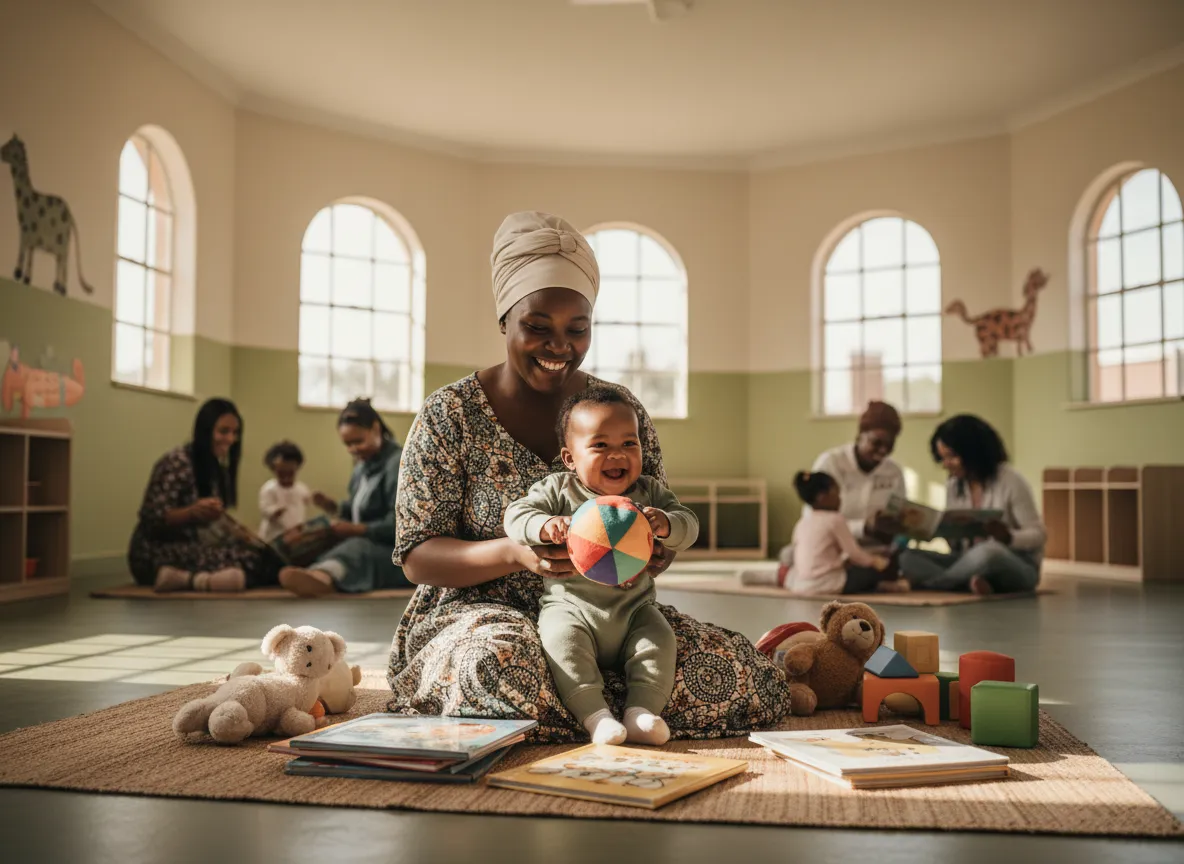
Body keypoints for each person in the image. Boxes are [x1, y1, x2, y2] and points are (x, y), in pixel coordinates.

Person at [387, 210, 788, 742]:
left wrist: (655, 543)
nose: (560, 346)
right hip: (479, 613)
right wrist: (512, 552)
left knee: (742, 673)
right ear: (504, 319)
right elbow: (417, 557)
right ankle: (599, 710)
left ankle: (601, 712)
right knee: (493, 667)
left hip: (609, 616)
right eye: (537, 328)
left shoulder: (621, 412)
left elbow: (658, 515)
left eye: (577, 330)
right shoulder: (448, 415)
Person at [503, 386, 700, 746]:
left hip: (634, 608)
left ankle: (642, 712)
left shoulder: (649, 493)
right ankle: (596, 716)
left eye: (629, 444)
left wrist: (668, 525)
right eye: (600, 446)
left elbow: (689, 523)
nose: (617, 455)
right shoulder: (559, 490)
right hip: (572, 607)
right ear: (569, 458)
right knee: (561, 642)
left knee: (659, 640)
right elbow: (516, 515)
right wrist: (543, 526)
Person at [743, 400, 906, 586]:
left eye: (890, 445)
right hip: (831, 548)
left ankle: (790, 576)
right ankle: (782, 576)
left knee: (905, 561)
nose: (883, 451)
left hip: (876, 547)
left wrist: (897, 528)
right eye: (876, 443)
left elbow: (899, 515)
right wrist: (863, 527)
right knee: (790, 553)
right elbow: (813, 519)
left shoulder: (894, 472)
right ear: (860, 435)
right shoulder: (832, 463)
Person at [128, 398, 276, 592]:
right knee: (252, 561)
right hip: (154, 553)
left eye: (235, 433)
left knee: (266, 556)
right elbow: (152, 518)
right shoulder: (176, 462)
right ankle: (194, 580)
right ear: (206, 431)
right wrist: (191, 512)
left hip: (191, 547)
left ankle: (190, 579)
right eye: (224, 431)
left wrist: (242, 534)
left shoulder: (215, 467)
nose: (230, 439)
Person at [900, 415, 1045, 594]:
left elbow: (1038, 535)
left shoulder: (1011, 480)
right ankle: (970, 582)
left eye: (951, 456)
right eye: (942, 458)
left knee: (989, 552)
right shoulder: (954, 485)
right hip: (968, 560)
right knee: (908, 557)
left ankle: (938, 583)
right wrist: (940, 531)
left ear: (973, 452)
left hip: (1016, 564)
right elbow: (956, 548)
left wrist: (1008, 537)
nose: (946, 465)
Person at [278, 399, 409, 596]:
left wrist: (357, 529)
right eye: (347, 444)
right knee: (310, 533)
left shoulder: (397, 463)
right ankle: (276, 566)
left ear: (375, 428)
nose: (353, 449)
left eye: (358, 441)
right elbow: (359, 510)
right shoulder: (361, 468)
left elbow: (401, 524)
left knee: (356, 548)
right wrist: (334, 508)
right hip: (365, 539)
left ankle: (323, 576)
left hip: (391, 550)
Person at [786, 470, 907, 595]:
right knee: (872, 571)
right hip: (829, 584)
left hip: (802, 584)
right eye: (837, 494)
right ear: (822, 497)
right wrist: (876, 561)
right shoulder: (835, 519)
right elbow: (854, 553)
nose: (840, 499)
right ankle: (884, 584)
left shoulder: (802, 522)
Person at [258, 440, 311, 542]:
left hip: (294, 535)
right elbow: (264, 510)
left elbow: (306, 502)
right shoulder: (269, 489)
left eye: (290, 473)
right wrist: (275, 512)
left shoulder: (301, 488)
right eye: (281, 473)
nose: (286, 478)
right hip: (273, 537)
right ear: (273, 469)